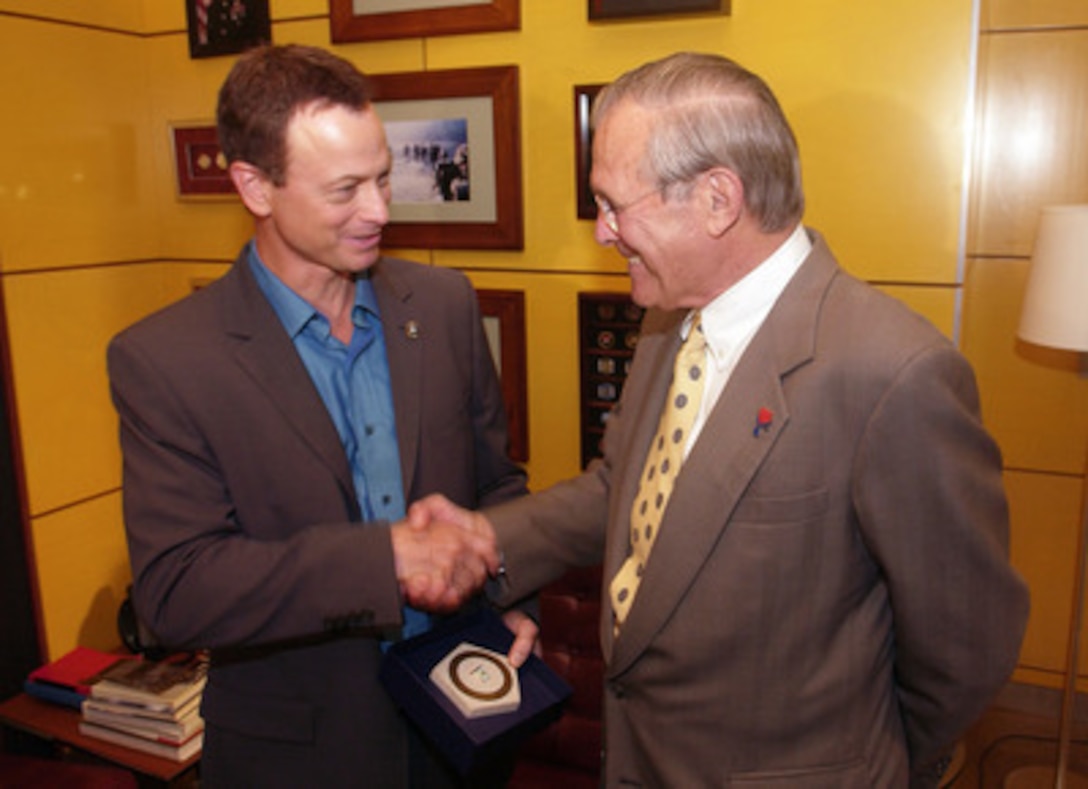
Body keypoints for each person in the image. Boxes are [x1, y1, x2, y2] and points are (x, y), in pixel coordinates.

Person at [416, 52, 1030, 787]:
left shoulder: (892, 374)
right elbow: (628, 489)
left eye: (613, 203)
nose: (603, 232)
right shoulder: (667, 321)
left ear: (717, 199)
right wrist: (487, 536)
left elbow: (965, 647)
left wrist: (871, 757)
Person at [107, 44, 533, 788]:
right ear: (254, 187)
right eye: (344, 190)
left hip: (463, 731)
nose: (378, 210)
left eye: (381, 177)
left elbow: (497, 483)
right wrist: (386, 558)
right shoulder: (166, 360)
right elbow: (176, 592)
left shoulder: (444, 306)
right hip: (297, 757)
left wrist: (511, 589)